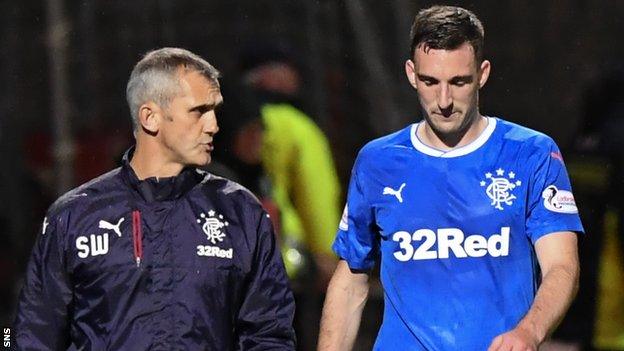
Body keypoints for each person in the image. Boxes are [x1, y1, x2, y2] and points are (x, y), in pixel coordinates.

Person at [318, 6, 583, 351]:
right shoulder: (377, 161)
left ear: (482, 73)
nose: (443, 101)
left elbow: (562, 266)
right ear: (411, 74)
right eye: (430, 82)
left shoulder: (530, 154)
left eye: (459, 82)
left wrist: (529, 332)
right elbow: (351, 279)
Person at [13, 47, 296, 350]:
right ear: (150, 117)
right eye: (199, 111)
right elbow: (27, 337)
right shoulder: (73, 217)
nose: (213, 125)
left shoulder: (241, 212)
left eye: (215, 111)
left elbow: (270, 334)